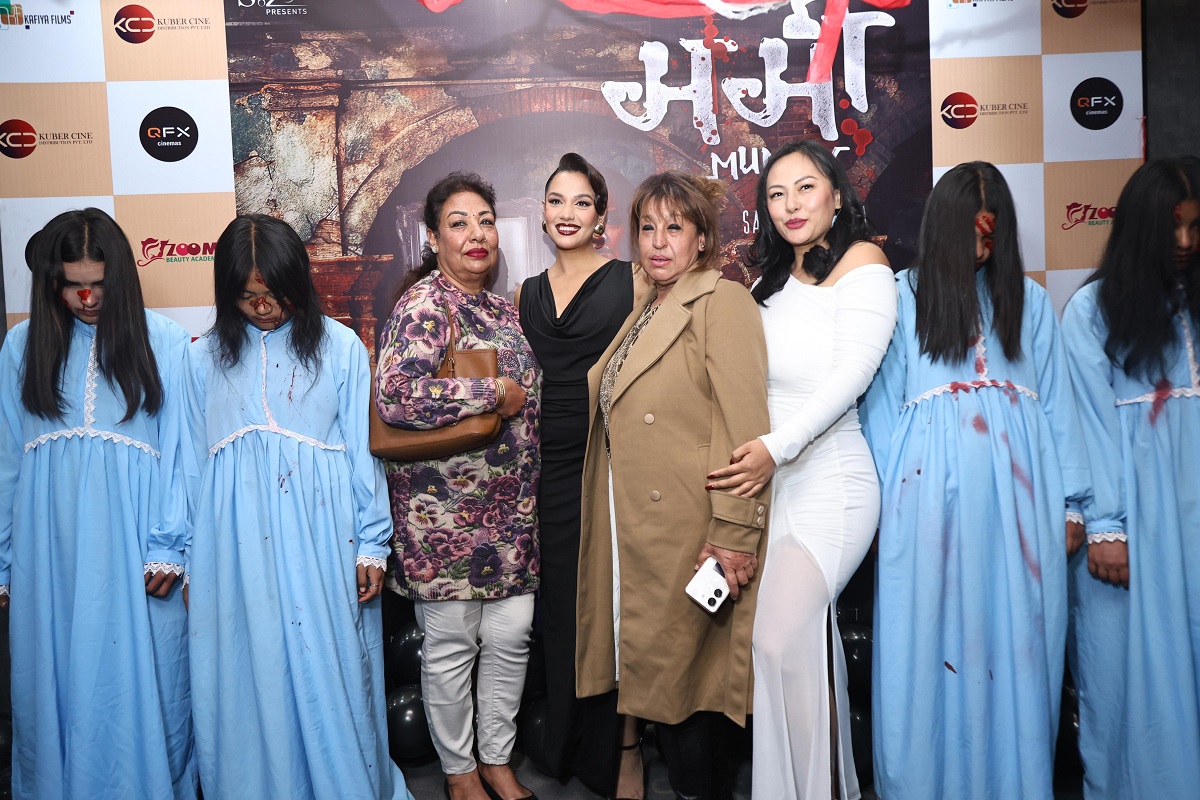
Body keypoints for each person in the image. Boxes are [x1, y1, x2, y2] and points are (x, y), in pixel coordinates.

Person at [860, 162, 1090, 800]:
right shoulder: (902, 297)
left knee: (1020, 647)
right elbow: (880, 411)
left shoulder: (1031, 303)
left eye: (992, 232)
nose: (981, 244)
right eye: (969, 230)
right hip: (926, 508)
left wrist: (1073, 505)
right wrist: (893, 510)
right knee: (925, 648)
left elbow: (1059, 407)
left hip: (1021, 510)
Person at [186, 214, 413, 800]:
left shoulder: (339, 346)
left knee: (331, 666)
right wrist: (184, 555)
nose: (264, 308)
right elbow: (188, 463)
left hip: (322, 537)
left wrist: (372, 543)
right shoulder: (201, 359)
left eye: (276, 294)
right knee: (250, 666)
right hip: (235, 546)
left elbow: (362, 452)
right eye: (248, 297)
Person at [707, 140, 897, 799]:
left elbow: (851, 377)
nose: (790, 204)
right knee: (793, 654)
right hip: (774, 488)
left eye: (806, 187)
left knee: (780, 641)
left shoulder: (863, 262)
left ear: (837, 195)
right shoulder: (767, 285)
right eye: (776, 193)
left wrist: (776, 448)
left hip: (830, 481)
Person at [575, 170, 771, 800]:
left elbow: (746, 430)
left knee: (690, 688)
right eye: (647, 228)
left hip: (690, 526)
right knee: (663, 679)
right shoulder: (644, 306)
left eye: (675, 228)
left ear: (702, 237)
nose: (659, 242)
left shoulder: (721, 300)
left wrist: (734, 532)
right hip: (630, 520)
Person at [0, 208, 195, 799]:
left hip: (137, 549)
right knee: (53, 683)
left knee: (150, 686)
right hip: (49, 551)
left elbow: (181, 453)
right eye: (71, 284)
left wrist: (169, 546)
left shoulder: (164, 341)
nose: (86, 298)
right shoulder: (21, 345)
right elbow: (8, 460)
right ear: (50, 282)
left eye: (99, 284)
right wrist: (4, 560)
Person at [376, 172, 541, 800]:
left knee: (510, 639)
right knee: (450, 647)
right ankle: (459, 772)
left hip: (511, 516)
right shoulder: (424, 305)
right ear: (433, 236)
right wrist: (490, 392)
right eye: (459, 223)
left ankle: (496, 759)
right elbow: (396, 395)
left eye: (486, 221)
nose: (477, 234)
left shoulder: (502, 309)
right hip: (443, 520)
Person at [1062, 157, 1200, 799]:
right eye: (1172, 228)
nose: (1185, 243)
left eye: (1196, 228)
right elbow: (1082, 426)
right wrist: (1106, 525)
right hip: (1130, 531)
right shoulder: (1093, 311)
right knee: (1123, 683)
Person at [515, 153, 649, 799]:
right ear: (542, 214)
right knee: (561, 612)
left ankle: (623, 749)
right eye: (556, 201)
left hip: (610, 461)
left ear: (601, 216)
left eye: (581, 202)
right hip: (544, 467)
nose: (567, 213)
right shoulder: (525, 293)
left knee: (613, 608)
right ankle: (565, 744)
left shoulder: (634, 280)